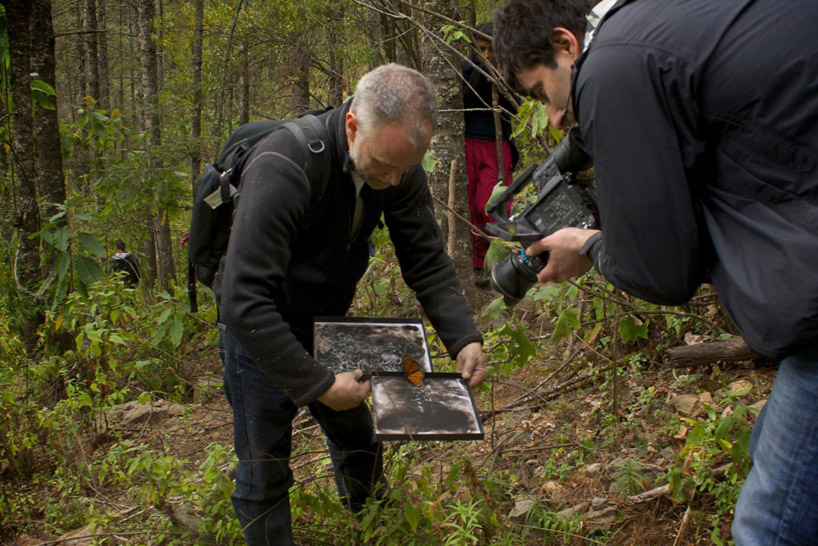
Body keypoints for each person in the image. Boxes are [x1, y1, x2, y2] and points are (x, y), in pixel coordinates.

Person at [493, 0, 818, 543]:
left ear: (566, 44)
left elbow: (664, 274)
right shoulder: (653, 25)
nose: (552, 116)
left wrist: (590, 245)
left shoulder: (613, 66)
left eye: (540, 93)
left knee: (770, 526)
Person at [216, 64, 487, 546]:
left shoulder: (399, 168)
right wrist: (319, 384)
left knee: (360, 439)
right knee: (264, 470)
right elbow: (242, 299)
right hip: (261, 331)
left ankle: (375, 527)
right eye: (384, 165)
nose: (394, 178)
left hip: (326, 322)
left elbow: (425, 259)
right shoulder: (285, 165)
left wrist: (463, 336)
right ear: (352, 124)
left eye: (405, 168)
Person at [462, 22, 518, 287]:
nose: (486, 54)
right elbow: (463, 96)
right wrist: (480, 70)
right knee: (470, 206)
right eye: (480, 49)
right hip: (469, 143)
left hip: (497, 145)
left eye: (491, 49)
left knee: (492, 203)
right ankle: (478, 266)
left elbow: (515, 105)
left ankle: (501, 263)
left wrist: (498, 75)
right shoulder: (464, 69)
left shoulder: (511, 71)